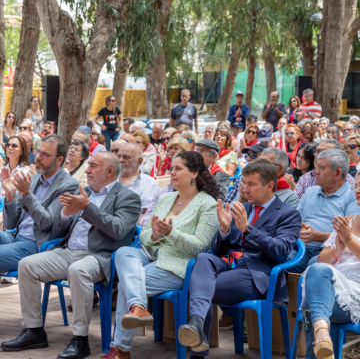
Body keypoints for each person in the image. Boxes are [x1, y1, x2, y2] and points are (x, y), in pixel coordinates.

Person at [0, 152, 141, 358]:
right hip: (68, 251)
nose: (88, 170)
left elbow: (118, 229)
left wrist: (87, 207)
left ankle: (80, 340)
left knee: (78, 270)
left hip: (99, 256)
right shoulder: (85, 192)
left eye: (93, 166)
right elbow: (57, 231)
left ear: (109, 171)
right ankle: (34, 331)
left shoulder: (128, 197)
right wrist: (65, 216)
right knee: (27, 265)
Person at [177, 159, 302, 357]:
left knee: (199, 287)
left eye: (252, 184)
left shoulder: (289, 214)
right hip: (230, 265)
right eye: (244, 183)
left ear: (270, 185)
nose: (246, 189)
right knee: (202, 259)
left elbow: (281, 250)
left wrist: (248, 229)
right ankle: (197, 327)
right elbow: (217, 251)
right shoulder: (243, 208)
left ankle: (197, 344)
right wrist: (225, 230)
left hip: (258, 275)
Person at [105, 151, 219, 359]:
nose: (172, 173)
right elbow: (147, 235)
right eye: (171, 168)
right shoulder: (166, 197)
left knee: (124, 285)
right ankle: (138, 308)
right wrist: (156, 234)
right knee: (124, 251)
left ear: (194, 173)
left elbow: (201, 247)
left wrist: (171, 233)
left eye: (178, 169)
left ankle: (121, 348)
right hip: (149, 256)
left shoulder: (208, 204)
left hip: (177, 265)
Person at [300, 173, 360, 359]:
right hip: (330, 290)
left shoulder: (346, 230)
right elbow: (321, 262)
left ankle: (321, 343)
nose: (357, 190)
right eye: (356, 185)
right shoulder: (347, 221)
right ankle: (322, 333)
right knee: (317, 271)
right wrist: (337, 249)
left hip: (354, 296)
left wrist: (349, 240)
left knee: (311, 302)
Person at [0, 135, 79, 274]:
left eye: (44, 154)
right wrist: (11, 195)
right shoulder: (34, 178)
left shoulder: (69, 186)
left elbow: (46, 223)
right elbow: (10, 224)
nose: (37, 157)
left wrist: (26, 193)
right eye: (37, 152)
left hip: (36, 245)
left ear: (59, 159)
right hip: (14, 238)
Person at [287, 149, 358, 273]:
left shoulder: (354, 195)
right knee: (275, 259)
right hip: (299, 248)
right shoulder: (310, 191)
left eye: (321, 168)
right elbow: (295, 221)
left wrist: (316, 236)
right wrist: (300, 228)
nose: (315, 172)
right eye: (316, 166)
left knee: (315, 264)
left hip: (331, 252)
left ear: (337, 173)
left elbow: (350, 234)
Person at [118, 143, 159, 218]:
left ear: (139, 161)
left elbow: (148, 216)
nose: (120, 160)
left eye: (126, 157)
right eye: (119, 156)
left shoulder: (149, 184)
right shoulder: (109, 178)